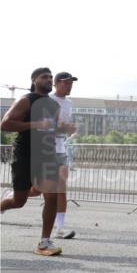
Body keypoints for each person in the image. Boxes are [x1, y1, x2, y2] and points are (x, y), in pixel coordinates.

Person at [0, 67, 70, 256]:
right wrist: (35, 125)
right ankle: (2, 205)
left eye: (50, 77)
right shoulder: (25, 100)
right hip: (24, 155)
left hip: (46, 155)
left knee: (52, 195)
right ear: (34, 80)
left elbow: (50, 130)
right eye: (44, 77)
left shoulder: (53, 105)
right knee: (18, 201)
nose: (48, 79)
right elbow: (5, 124)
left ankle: (44, 242)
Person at [50, 71, 79, 239]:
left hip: (60, 149)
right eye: (66, 83)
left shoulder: (69, 103)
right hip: (44, 149)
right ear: (56, 83)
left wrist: (69, 128)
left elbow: (63, 126)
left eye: (71, 83)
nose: (70, 86)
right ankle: (11, 197)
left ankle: (60, 228)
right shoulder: (47, 100)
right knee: (34, 191)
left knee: (61, 188)